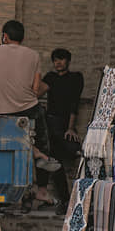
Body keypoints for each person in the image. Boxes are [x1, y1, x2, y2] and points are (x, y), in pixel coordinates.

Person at [0, 20, 61, 206]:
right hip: (32, 108)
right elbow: (36, 88)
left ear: (4, 36)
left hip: (7, 112)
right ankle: (42, 185)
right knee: (44, 144)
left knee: (13, 145)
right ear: (23, 38)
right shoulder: (33, 55)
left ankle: (33, 153)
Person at [39, 48, 85, 210]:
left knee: (54, 159)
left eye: (61, 59)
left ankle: (61, 199)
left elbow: (74, 103)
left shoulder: (75, 78)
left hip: (63, 125)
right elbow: (36, 93)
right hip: (49, 124)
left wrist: (70, 128)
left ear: (68, 61)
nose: (58, 63)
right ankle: (61, 199)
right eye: (55, 60)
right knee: (50, 158)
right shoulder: (50, 78)